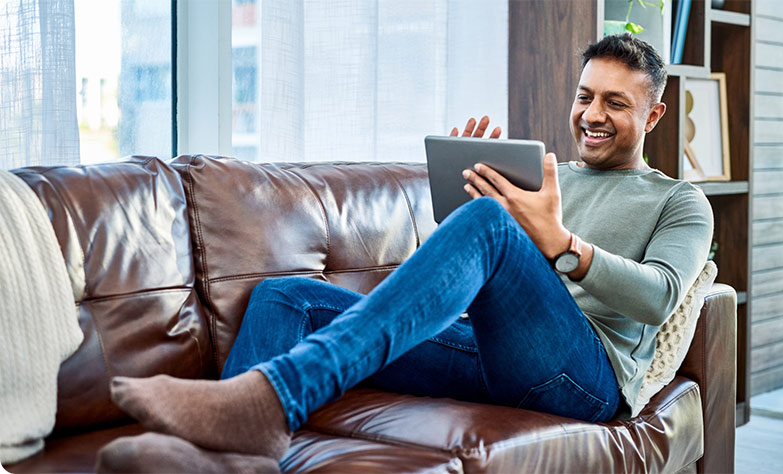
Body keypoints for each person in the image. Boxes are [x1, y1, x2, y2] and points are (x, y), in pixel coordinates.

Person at [95, 34, 713, 473]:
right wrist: (465, 211)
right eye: (585, 96)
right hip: (487, 349)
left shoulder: (679, 201)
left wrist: (559, 243)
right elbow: (481, 282)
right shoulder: (542, 176)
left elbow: (658, 297)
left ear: (654, 114)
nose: (592, 115)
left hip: (582, 376)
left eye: (616, 103)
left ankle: (271, 398)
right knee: (285, 296)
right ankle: (231, 458)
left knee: (488, 226)